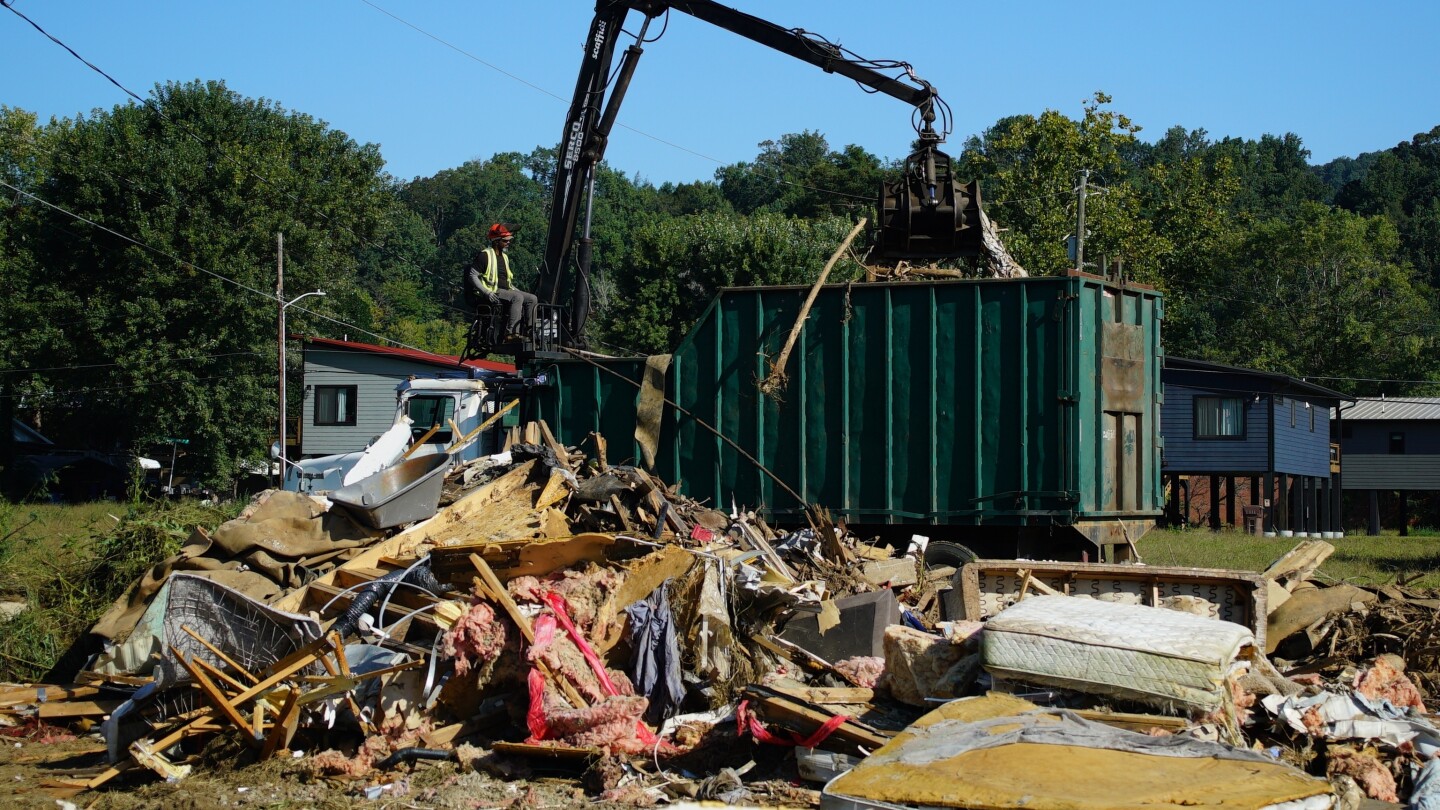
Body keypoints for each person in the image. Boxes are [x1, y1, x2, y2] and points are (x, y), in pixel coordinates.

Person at [465, 223, 537, 338]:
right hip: (493, 291)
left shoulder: (505, 257)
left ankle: (530, 331)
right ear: (496, 241)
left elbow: (507, 281)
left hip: (506, 290)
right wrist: (486, 292)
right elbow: (472, 276)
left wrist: (516, 289)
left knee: (532, 298)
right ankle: (512, 333)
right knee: (517, 297)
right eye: (505, 240)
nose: (508, 242)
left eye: (509, 240)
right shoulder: (485, 255)